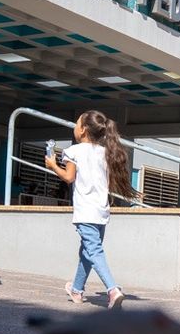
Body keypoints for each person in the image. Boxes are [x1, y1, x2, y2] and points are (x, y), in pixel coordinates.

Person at [45, 110, 137, 308]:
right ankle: (76, 289)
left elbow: (69, 177)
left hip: (85, 211)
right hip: (101, 210)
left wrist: (53, 165)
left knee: (93, 250)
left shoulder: (73, 151)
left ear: (84, 130)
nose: (75, 127)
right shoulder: (105, 153)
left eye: (77, 123)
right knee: (87, 250)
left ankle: (113, 290)